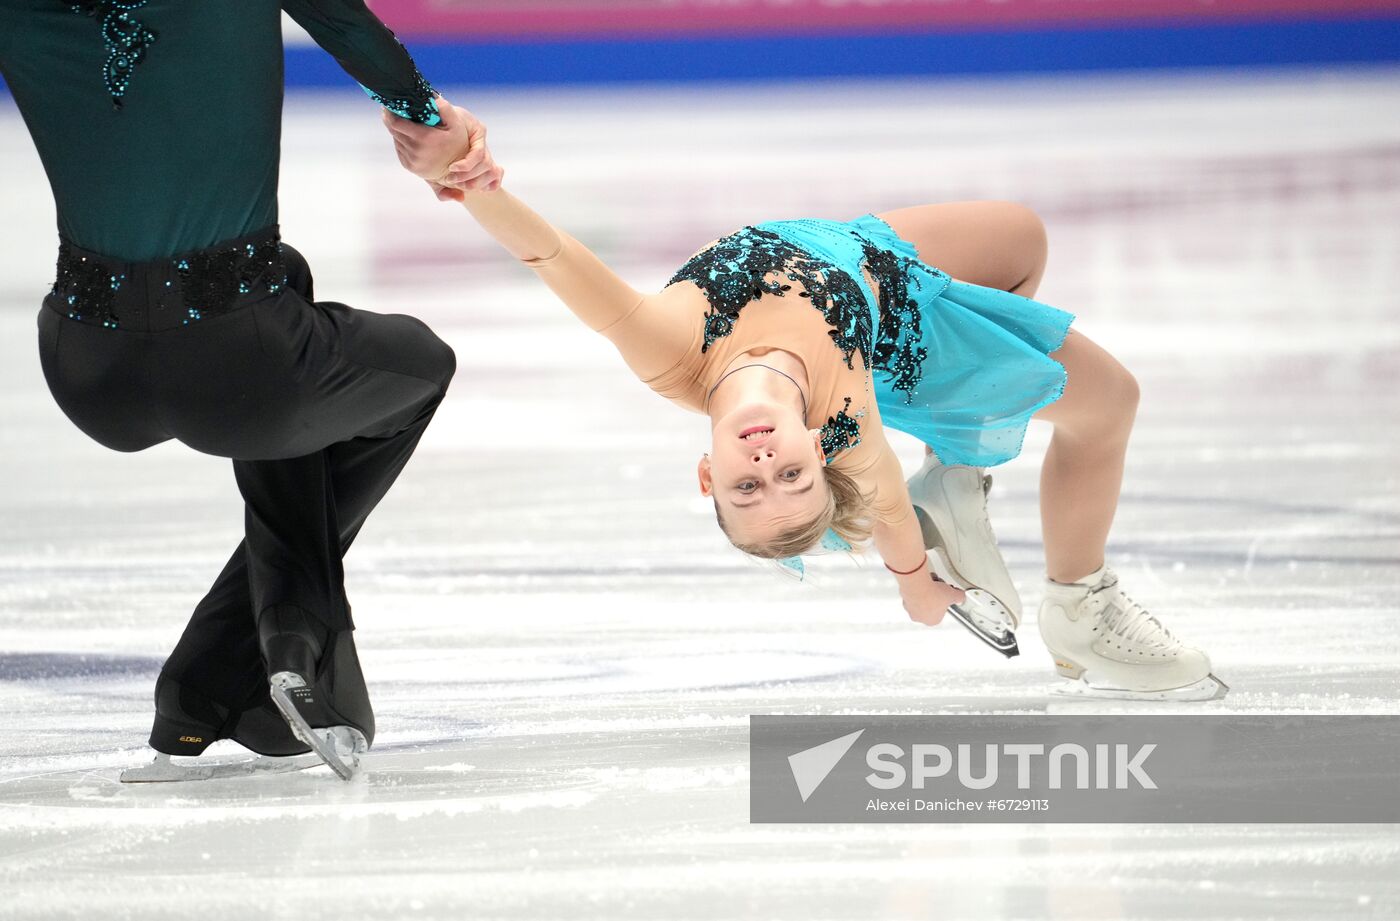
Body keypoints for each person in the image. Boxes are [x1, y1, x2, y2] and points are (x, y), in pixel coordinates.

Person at [384, 107, 1228, 701]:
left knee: (1022, 241)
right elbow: (889, 511)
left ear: (708, 473)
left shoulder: (666, 350)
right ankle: (1081, 605)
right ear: (818, 448)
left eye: (748, 485)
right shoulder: (848, 421)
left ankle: (961, 466)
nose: (763, 463)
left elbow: (551, 253)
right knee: (1110, 400)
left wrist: (470, 177)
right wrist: (915, 584)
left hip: (868, 252)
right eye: (790, 473)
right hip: (901, 328)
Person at [0, 0, 502, 780]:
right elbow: (348, 28)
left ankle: (201, 699)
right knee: (418, 367)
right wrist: (431, 123)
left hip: (84, 363)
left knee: (286, 285)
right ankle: (262, 651)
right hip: (241, 366)